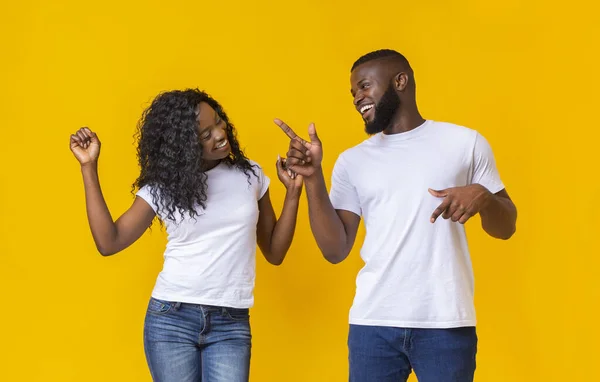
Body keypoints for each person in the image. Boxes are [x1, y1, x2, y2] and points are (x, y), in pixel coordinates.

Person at [275, 49, 517, 382]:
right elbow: (335, 250)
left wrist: (485, 198)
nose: (357, 98)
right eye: (353, 93)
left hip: (445, 323)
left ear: (400, 81)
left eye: (364, 86)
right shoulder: (351, 161)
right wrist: (314, 177)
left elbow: (506, 227)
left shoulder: (465, 143)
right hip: (373, 325)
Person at [70, 88, 302, 382]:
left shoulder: (250, 175)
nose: (220, 134)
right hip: (171, 320)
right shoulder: (163, 188)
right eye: (205, 134)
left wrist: (293, 193)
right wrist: (89, 167)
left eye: (218, 122)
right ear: (184, 144)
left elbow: (275, 252)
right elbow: (109, 242)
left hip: (230, 322)